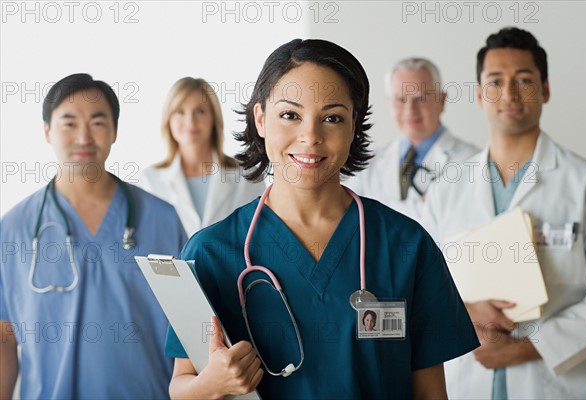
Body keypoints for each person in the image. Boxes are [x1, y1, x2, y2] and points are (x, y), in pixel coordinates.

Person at [165, 38, 479, 400]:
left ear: (353, 126)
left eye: (332, 117)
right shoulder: (210, 251)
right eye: (290, 115)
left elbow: (430, 393)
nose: (310, 136)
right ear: (261, 118)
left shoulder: (407, 245)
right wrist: (211, 385)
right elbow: (181, 386)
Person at [422, 27, 586, 399]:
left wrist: (529, 347)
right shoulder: (445, 189)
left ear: (546, 89)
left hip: (555, 385)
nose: (509, 94)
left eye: (524, 80)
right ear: (478, 94)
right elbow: (423, 287)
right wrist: (466, 311)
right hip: (465, 379)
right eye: (495, 81)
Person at [0, 74, 188, 399]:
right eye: (69, 123)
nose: (84, 137)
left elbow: (190, 329)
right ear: (47, 131)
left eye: (97, 122)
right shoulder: (14, 229)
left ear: (114, 131)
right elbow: (4, 341)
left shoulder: (163, 220)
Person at [346, 58, 478, 220]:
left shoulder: (472, 162)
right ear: (389, 102)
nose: (410, 110)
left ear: (442, 100)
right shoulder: (367, 165)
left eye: (420, 98)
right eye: (401, 100)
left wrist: (376, 211)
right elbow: (350, 217)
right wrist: (424, 208)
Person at [138, 77, 264, 237]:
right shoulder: (149, 181)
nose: (190, 121)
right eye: (180, 111)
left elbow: (261, 235)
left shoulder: (247, 175)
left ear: (213, 119)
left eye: (200, 111)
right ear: (168, 120)